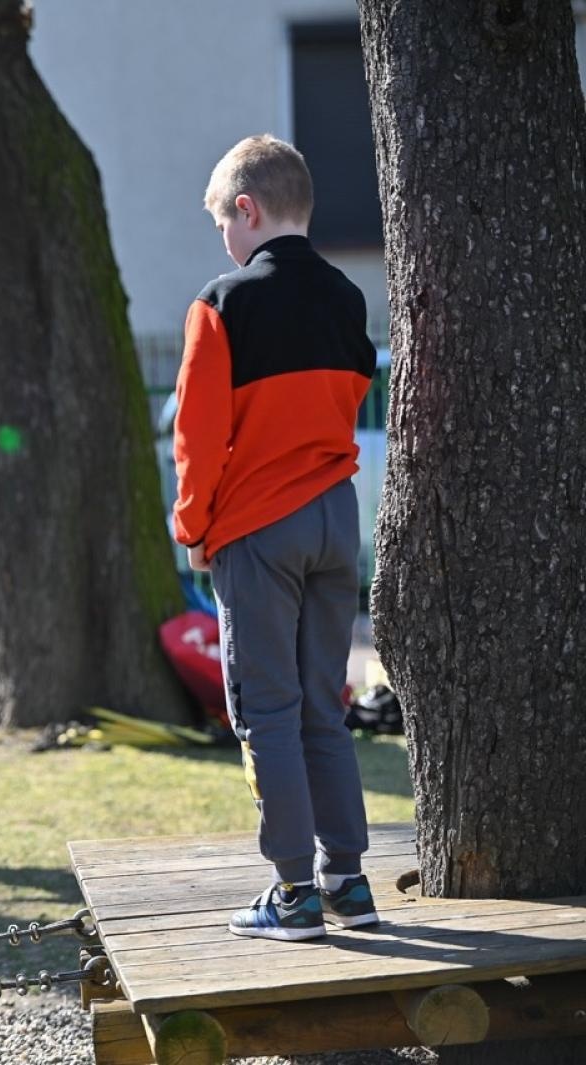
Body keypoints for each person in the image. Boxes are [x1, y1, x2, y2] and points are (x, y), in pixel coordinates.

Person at [174, 135, 379, 940]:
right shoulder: (345, 296)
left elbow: (198, 436)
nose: (222, 238)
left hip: (259, 526)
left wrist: (194, 528)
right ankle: (348, 882)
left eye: (223, 220)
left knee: (265, 709)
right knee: (323, 706)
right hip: (336, 518)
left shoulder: (220, 303)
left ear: (247, 211)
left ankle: (293, 894)